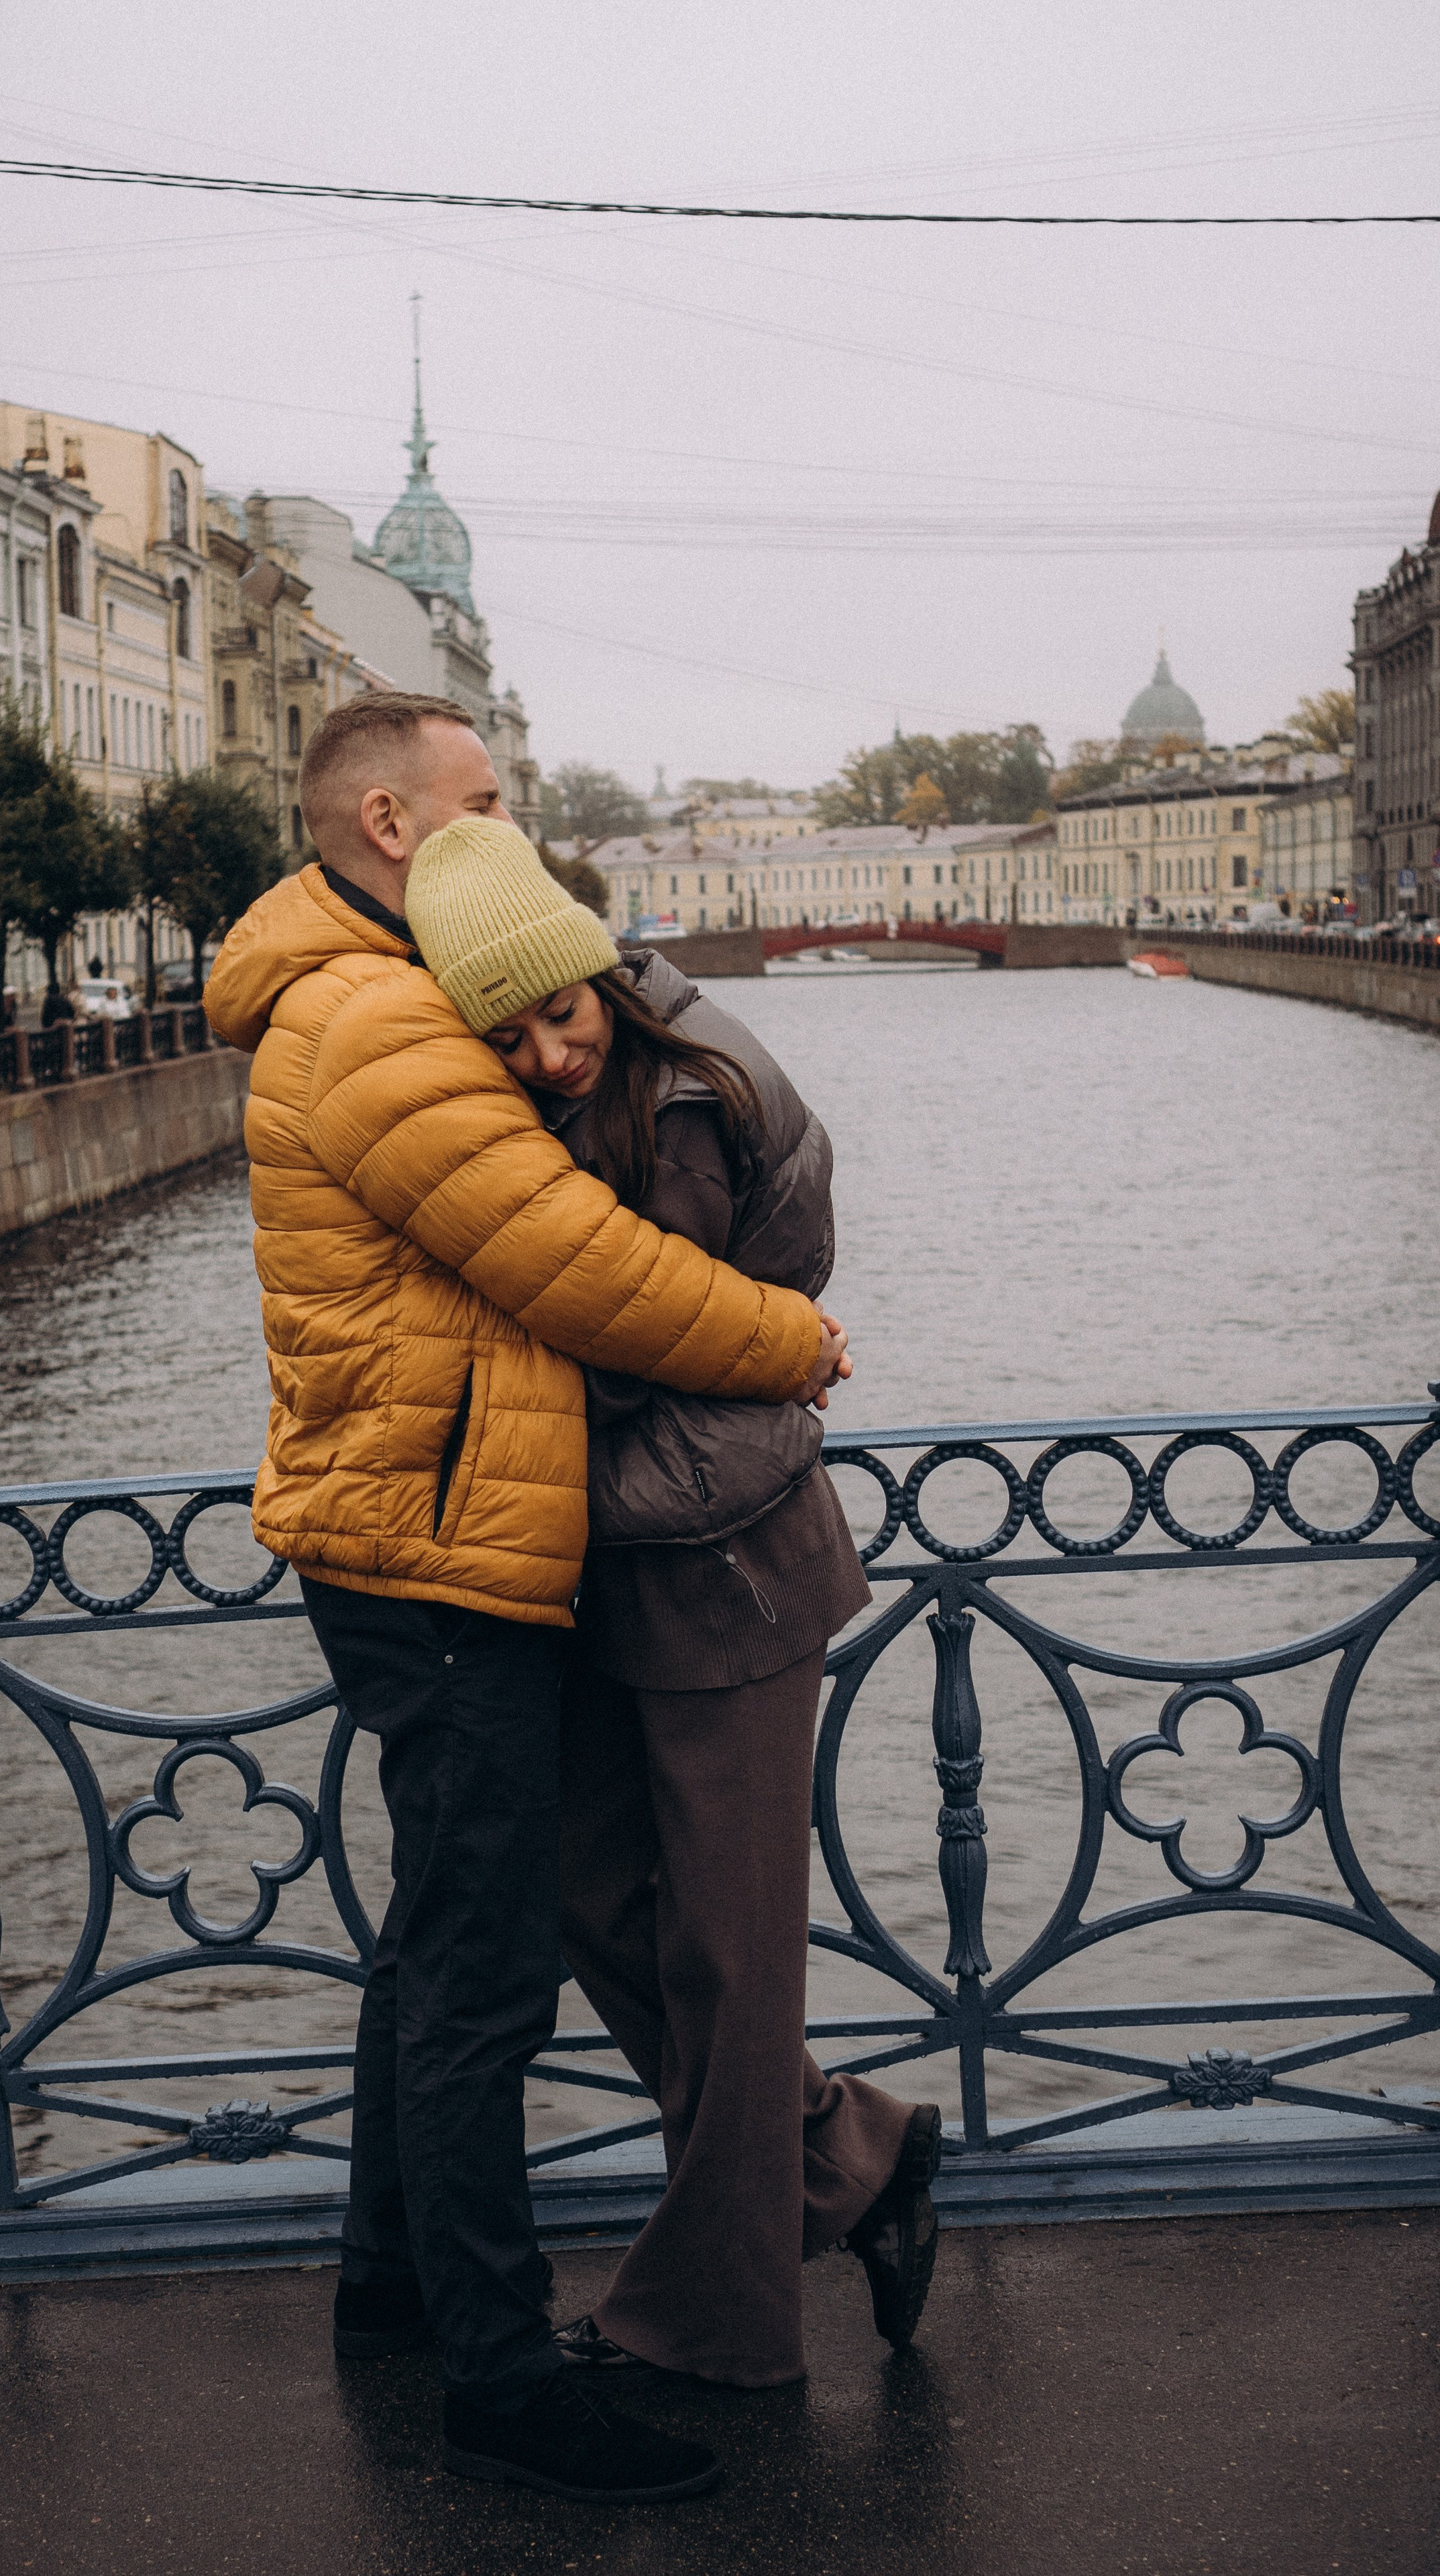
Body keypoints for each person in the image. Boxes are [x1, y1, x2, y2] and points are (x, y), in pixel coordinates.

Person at [204, 694, 844, 2504]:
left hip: (417, 1514)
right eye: (488, 798)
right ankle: (498, 2375)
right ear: (398, 823)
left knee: (438, 1932)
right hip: (436, 1537)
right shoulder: (373, 1013)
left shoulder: (376, 985)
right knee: (487, 1968)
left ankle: (390, 2283)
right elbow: (571, 1264)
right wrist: (791, 1341)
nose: (515, 819)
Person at [404, 814, 943, 2392]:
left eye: (555, 1015)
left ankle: (712, 2326)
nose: (544, 1056)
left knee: (725, 1954)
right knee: (594, 1901)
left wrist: (495, 1340)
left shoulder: (679, 1104)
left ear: (600, 979)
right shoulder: (609, 1081)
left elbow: (654, 1331)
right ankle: (854, 2161)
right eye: (502, 1038)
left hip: (728, 1569)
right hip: (626, 1556)